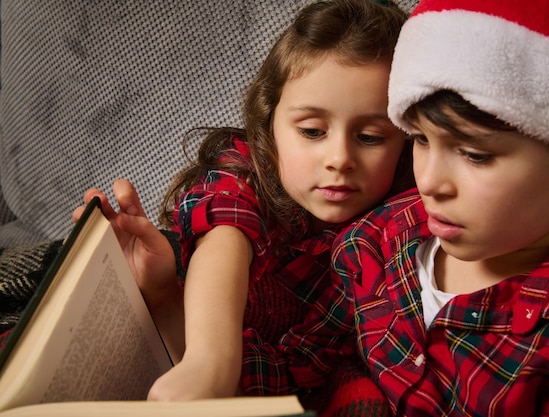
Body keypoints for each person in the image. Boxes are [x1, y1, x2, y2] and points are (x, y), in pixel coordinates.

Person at [75, 0, 413, 412]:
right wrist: (206, 360)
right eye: (311, 131)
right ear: (270, 125)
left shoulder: (394, 233)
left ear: (408, 144)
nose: (339, 158)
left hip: (285, 373)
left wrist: (172, 314)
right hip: (197, 331)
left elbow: (293, 375)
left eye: (371, 137)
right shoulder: (243, 175)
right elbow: (225, 235)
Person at [330, 0, 549, 415]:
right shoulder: (376, 238)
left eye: (474, 155)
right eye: (420, 140)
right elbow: (320, 351)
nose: (429, 182)